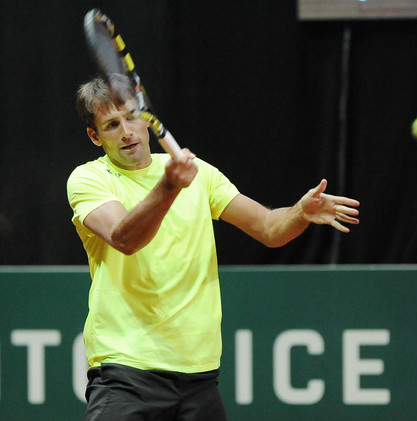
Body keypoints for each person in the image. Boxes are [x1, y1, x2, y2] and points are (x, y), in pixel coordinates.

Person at [66, 74, 360, 421]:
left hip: (199, 377)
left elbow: (268, 229)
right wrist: (169, 187)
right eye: (112, 125)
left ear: (145, 118)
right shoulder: (89, 179)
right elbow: (124, 238)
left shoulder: (200, 174)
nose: (127, 132)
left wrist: (300, 212)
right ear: (94, 136)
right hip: (127, 372)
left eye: (131, 116)